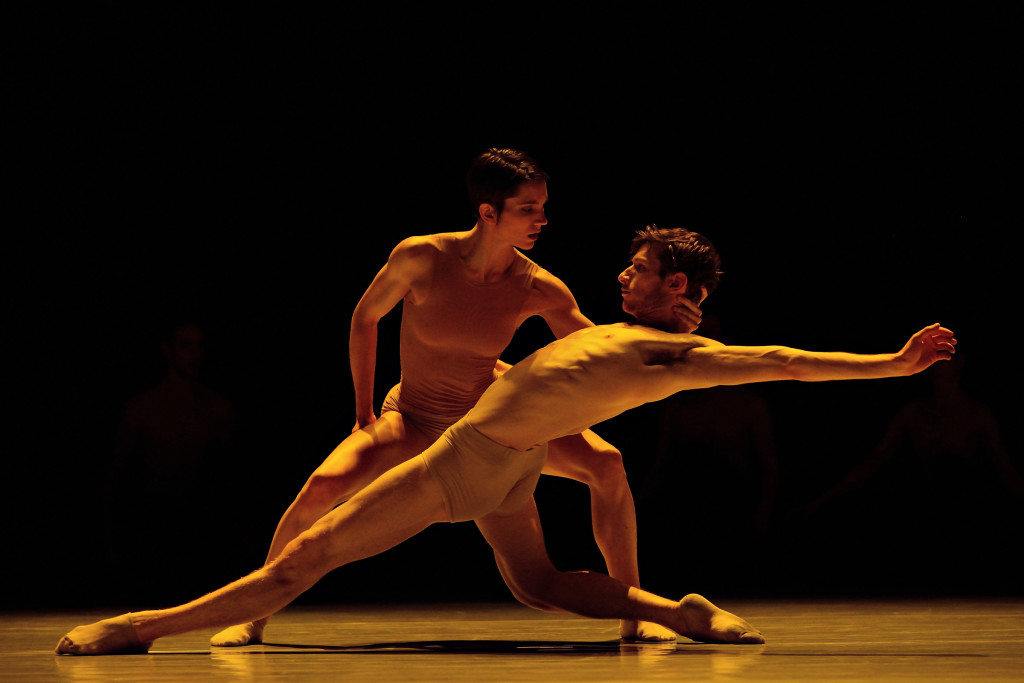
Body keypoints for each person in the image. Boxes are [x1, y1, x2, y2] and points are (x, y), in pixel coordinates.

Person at [55, 226, 956, 655]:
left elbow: (784, 363)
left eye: (636, 269)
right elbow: (583, 371)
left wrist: (891, 364)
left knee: (306, 560)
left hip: (465, 466)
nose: (620, 272)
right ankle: (682, 611)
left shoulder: (669, 349)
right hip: (510, 470)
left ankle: (141, 628)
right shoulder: (619, 336)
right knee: (542, 585)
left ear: (670, 285)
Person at [210, 148, 687, 646]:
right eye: (528, 209)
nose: (542, 220)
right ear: (488, 212)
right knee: (320, 488)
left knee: (607, 463)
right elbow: (365, 318)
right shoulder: (422, 257)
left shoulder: (536, 286)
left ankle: (636, 614)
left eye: (543, 207)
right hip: (414, 417)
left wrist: (670, 331)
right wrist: (362, 412)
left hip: (489, 433)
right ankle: (254, 615)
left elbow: (605, 352)